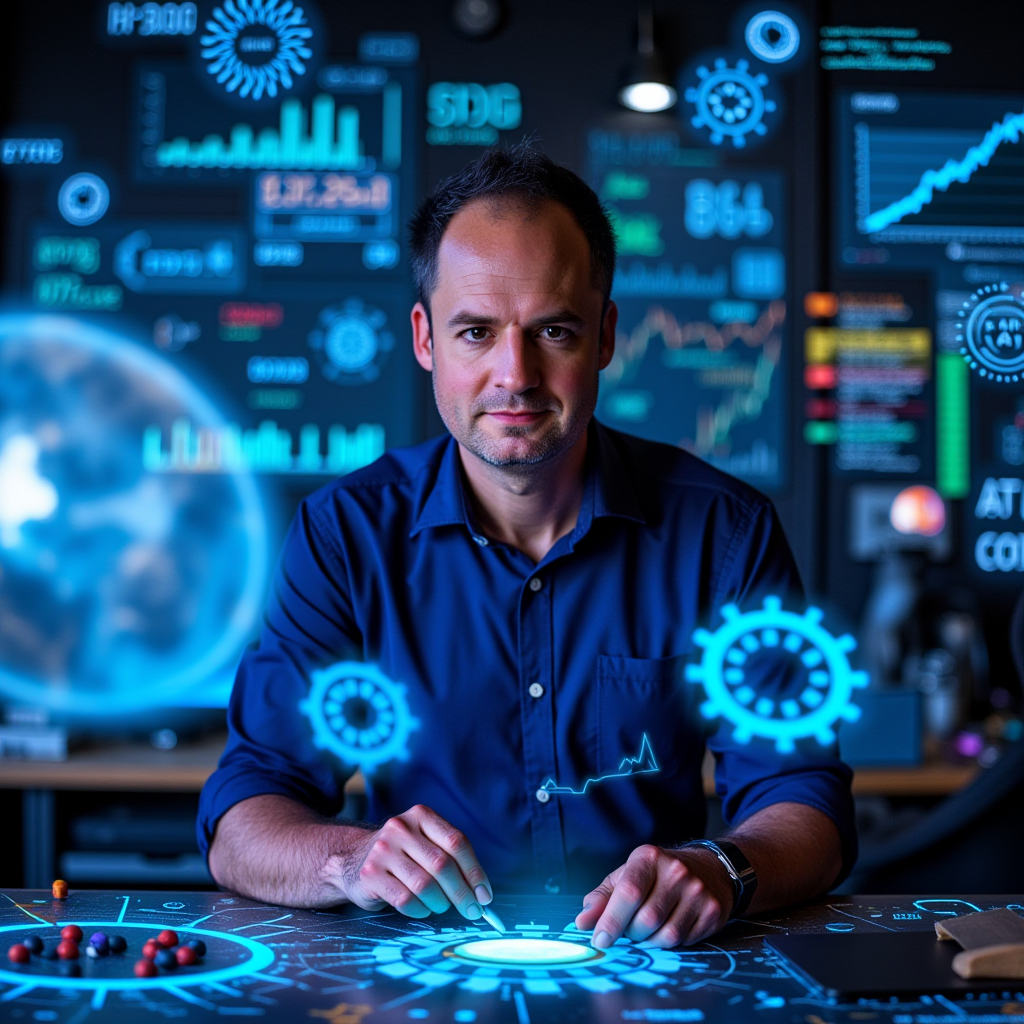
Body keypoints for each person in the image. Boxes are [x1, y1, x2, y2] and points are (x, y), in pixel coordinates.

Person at [199, 145, 855, 950]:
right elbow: (244, 819)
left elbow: (805, 800)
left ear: (605, 336)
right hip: (419, 978)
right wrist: (349, 861)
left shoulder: (724, 531)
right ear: (425, 339)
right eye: (476, 332)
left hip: (651, 969)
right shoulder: (346, 536)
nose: (516, 374)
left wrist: (722, 869)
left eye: (554, 330)